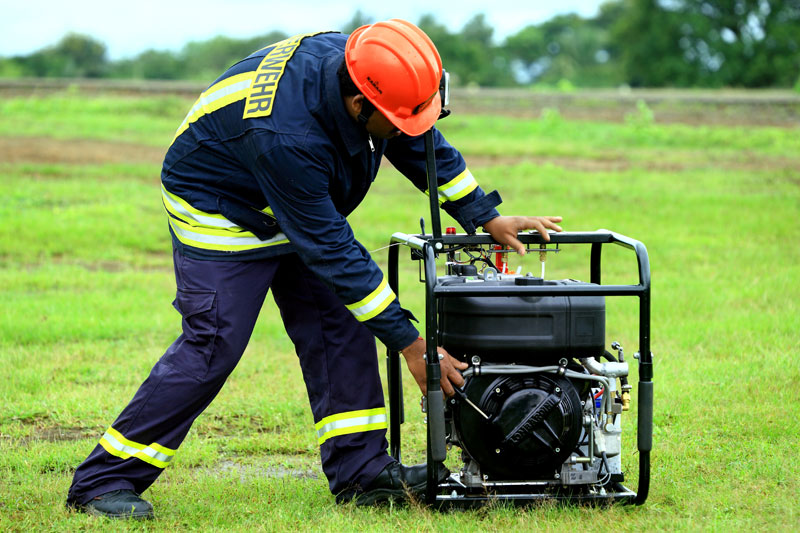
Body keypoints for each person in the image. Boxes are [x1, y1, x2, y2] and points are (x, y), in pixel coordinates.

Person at [65, 19, 563, 519]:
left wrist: (485, 215)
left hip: (290, 194)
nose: (403, 129)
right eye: (393, 120)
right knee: (214, 341)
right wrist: (412, 344)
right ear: (357, 104)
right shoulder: (286, 136)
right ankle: (104, 480)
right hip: (218, 205)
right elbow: (331, 249)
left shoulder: (366, 72)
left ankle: (362, 472)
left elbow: (418, 139)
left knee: (341, 320)